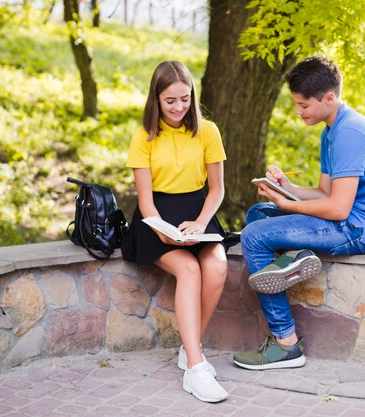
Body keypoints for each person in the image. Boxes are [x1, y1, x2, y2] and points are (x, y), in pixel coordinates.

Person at [233, 56, 365, 370]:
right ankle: (295, 257)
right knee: (259, 213)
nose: (299, 112)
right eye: (296, 104)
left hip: (360, 229)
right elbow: (325, 193)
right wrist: (287, 188)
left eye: (304, 105)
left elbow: (338, 208)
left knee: (255, 236)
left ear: (329, 98)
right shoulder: (332, 129)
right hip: (347, 219)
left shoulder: (350, 133)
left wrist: (290, 206)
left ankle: (285, 343)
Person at [121, 60, 229, 402]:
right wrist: (164, 230)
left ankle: (189, 348)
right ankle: (196, 369)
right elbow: (146, 201)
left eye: (185, 99)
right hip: (157, 219)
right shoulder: (143, 137)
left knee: (217, 264)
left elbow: (217, 190)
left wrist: (200, 223)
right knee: (189, 268)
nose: (179, 107)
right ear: (156, 100)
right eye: (171, 101)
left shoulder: (208, 131)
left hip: (199, 213)